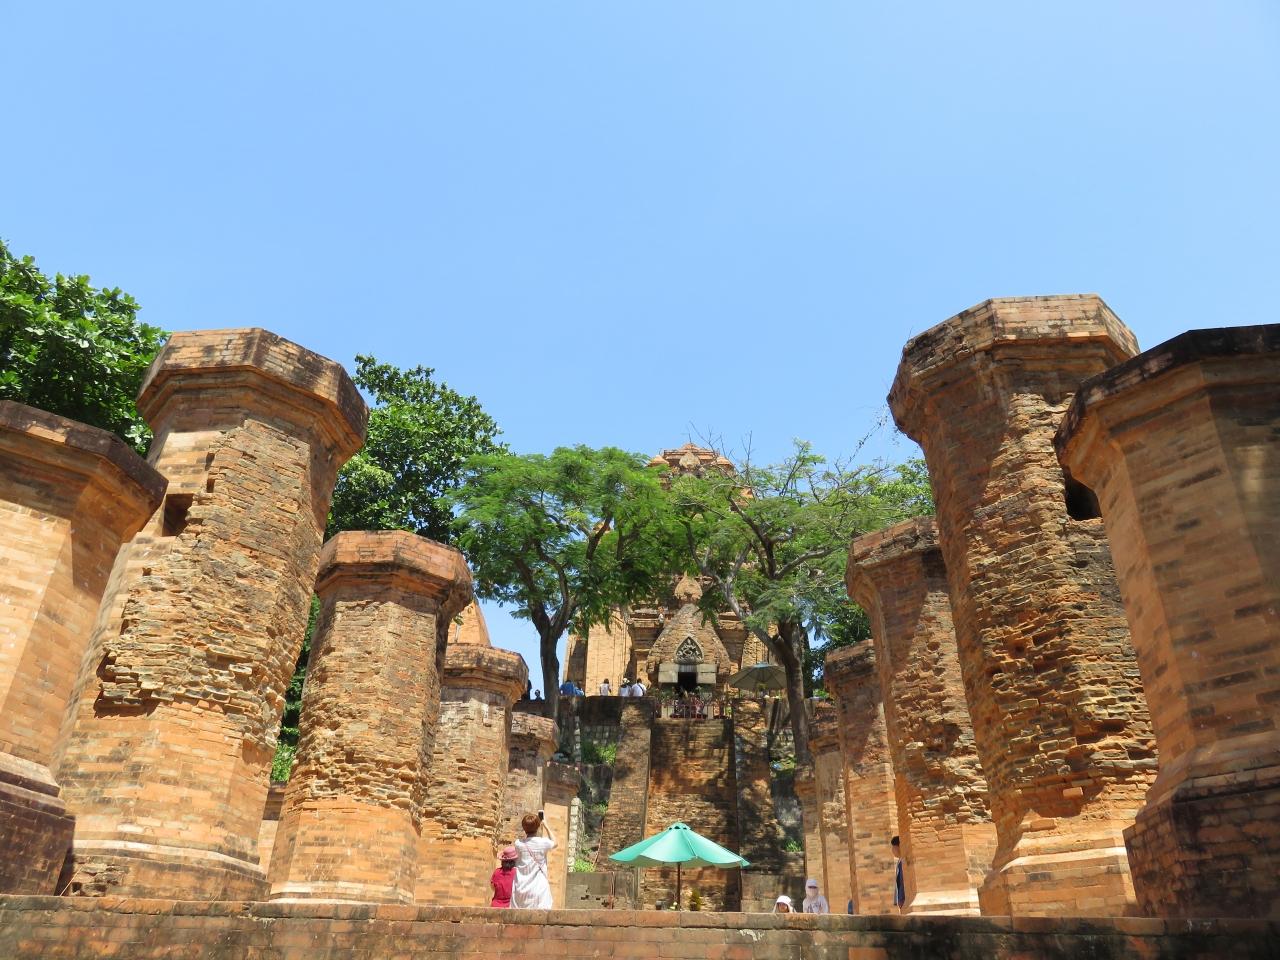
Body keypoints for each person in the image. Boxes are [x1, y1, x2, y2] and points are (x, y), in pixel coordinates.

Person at [512, 811, 556, 909]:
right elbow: (555, 843)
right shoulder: (543, 843)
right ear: (538, 826)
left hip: (520, 888)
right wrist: (546, 826)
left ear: (524, 828)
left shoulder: (518, 844)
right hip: (539, 888)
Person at [891, 835, 905, 912]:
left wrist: (901, 898)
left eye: (893, 847)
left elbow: (902, 881)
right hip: (901, 900)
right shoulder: (899, 862)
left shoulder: (903, 862)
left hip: (904, 899)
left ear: (898, 847)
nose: (892, 850)